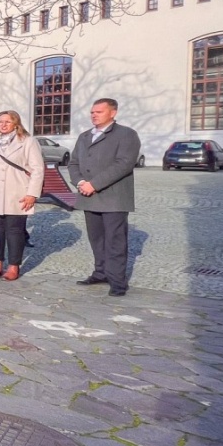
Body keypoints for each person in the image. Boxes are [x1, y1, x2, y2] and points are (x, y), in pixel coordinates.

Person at [69, 98, 141, 297]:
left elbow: (124, 164)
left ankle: (117, 281)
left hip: (113, 198)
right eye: (92, 112)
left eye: (99, 112)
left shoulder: (126, 134)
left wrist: (95, 184)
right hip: (88, 196)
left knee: (115, 241)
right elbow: (73, 163)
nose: (94, 115)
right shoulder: (84, 137)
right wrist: (80, 182)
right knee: (96, 239)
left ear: (113, 113)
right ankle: (100, 272)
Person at [0, 111, 44, 281]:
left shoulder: (27, 141)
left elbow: (37, 169)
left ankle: (13, 266)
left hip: (17, 192)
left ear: (16, 124)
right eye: (0, 122)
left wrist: (32, 194)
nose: (3, 125)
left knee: (15, 231)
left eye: (7, 122)